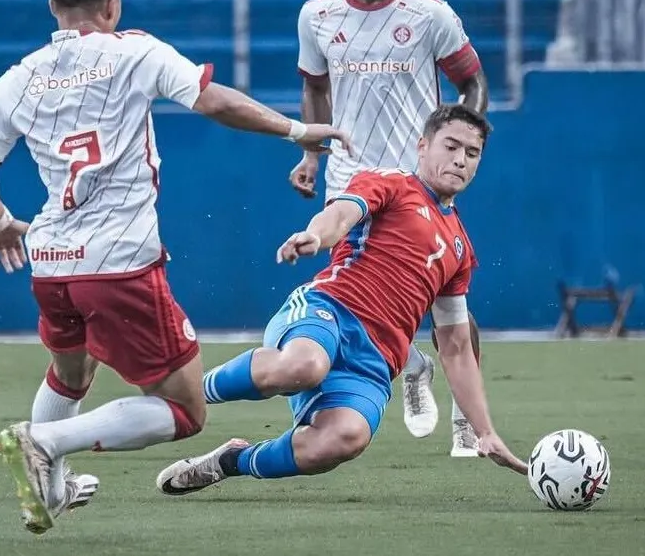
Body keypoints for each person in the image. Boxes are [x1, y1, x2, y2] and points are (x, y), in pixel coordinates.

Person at [0, 0, 351, 534]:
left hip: (50, 262)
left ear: (52, 6)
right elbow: (212, 99)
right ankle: (42, 441)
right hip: (118, 266)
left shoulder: (19, 76)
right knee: (187, 411)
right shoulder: (134, 50)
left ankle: (50, 488)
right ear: (112, 4)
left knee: (70, 373)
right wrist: (297, 129)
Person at [156, 104, 525, 496]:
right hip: (330, 310)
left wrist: (485, 432)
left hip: (374, 363)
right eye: (451, 146)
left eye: (472, 153)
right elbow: (341, 215)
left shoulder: (460, 248)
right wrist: (316, 236)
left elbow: (455, 347)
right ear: (423, 145)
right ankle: (187, 391)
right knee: (304, 365)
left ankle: (231, 461)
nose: (460, 160)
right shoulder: (392, 183)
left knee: (345, 438)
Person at [285, 0, 490, 455]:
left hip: (418, 183)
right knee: (360, 302)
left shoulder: (431, 15)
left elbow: (473, 82)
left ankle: (467, 418)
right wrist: (311, 153)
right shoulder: (317, 15)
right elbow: (315, 87)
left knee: (451, 307)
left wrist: (463, 139)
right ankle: (412, 365)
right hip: (351, 188)